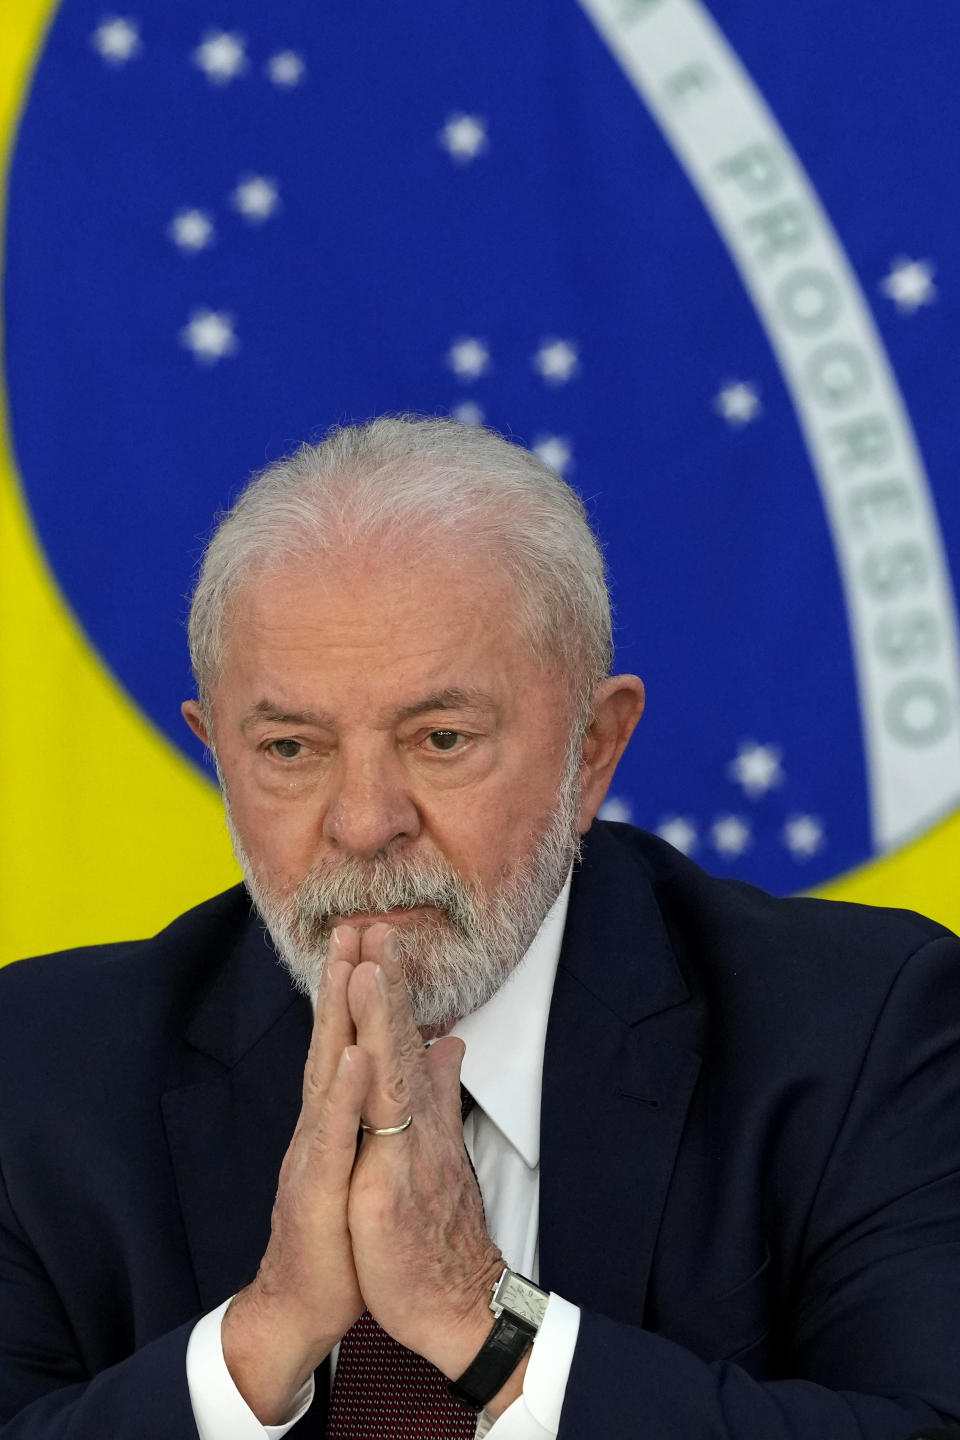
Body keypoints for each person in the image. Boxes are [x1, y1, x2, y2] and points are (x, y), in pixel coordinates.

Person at [1, 414, 959, 1440]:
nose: (365, 823)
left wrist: (485, 1326)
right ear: (215, 757)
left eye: (441, 738)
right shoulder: (39, 1070)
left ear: (592, 751)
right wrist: (257, 1347)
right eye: (289, 748)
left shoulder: (862, 1032)